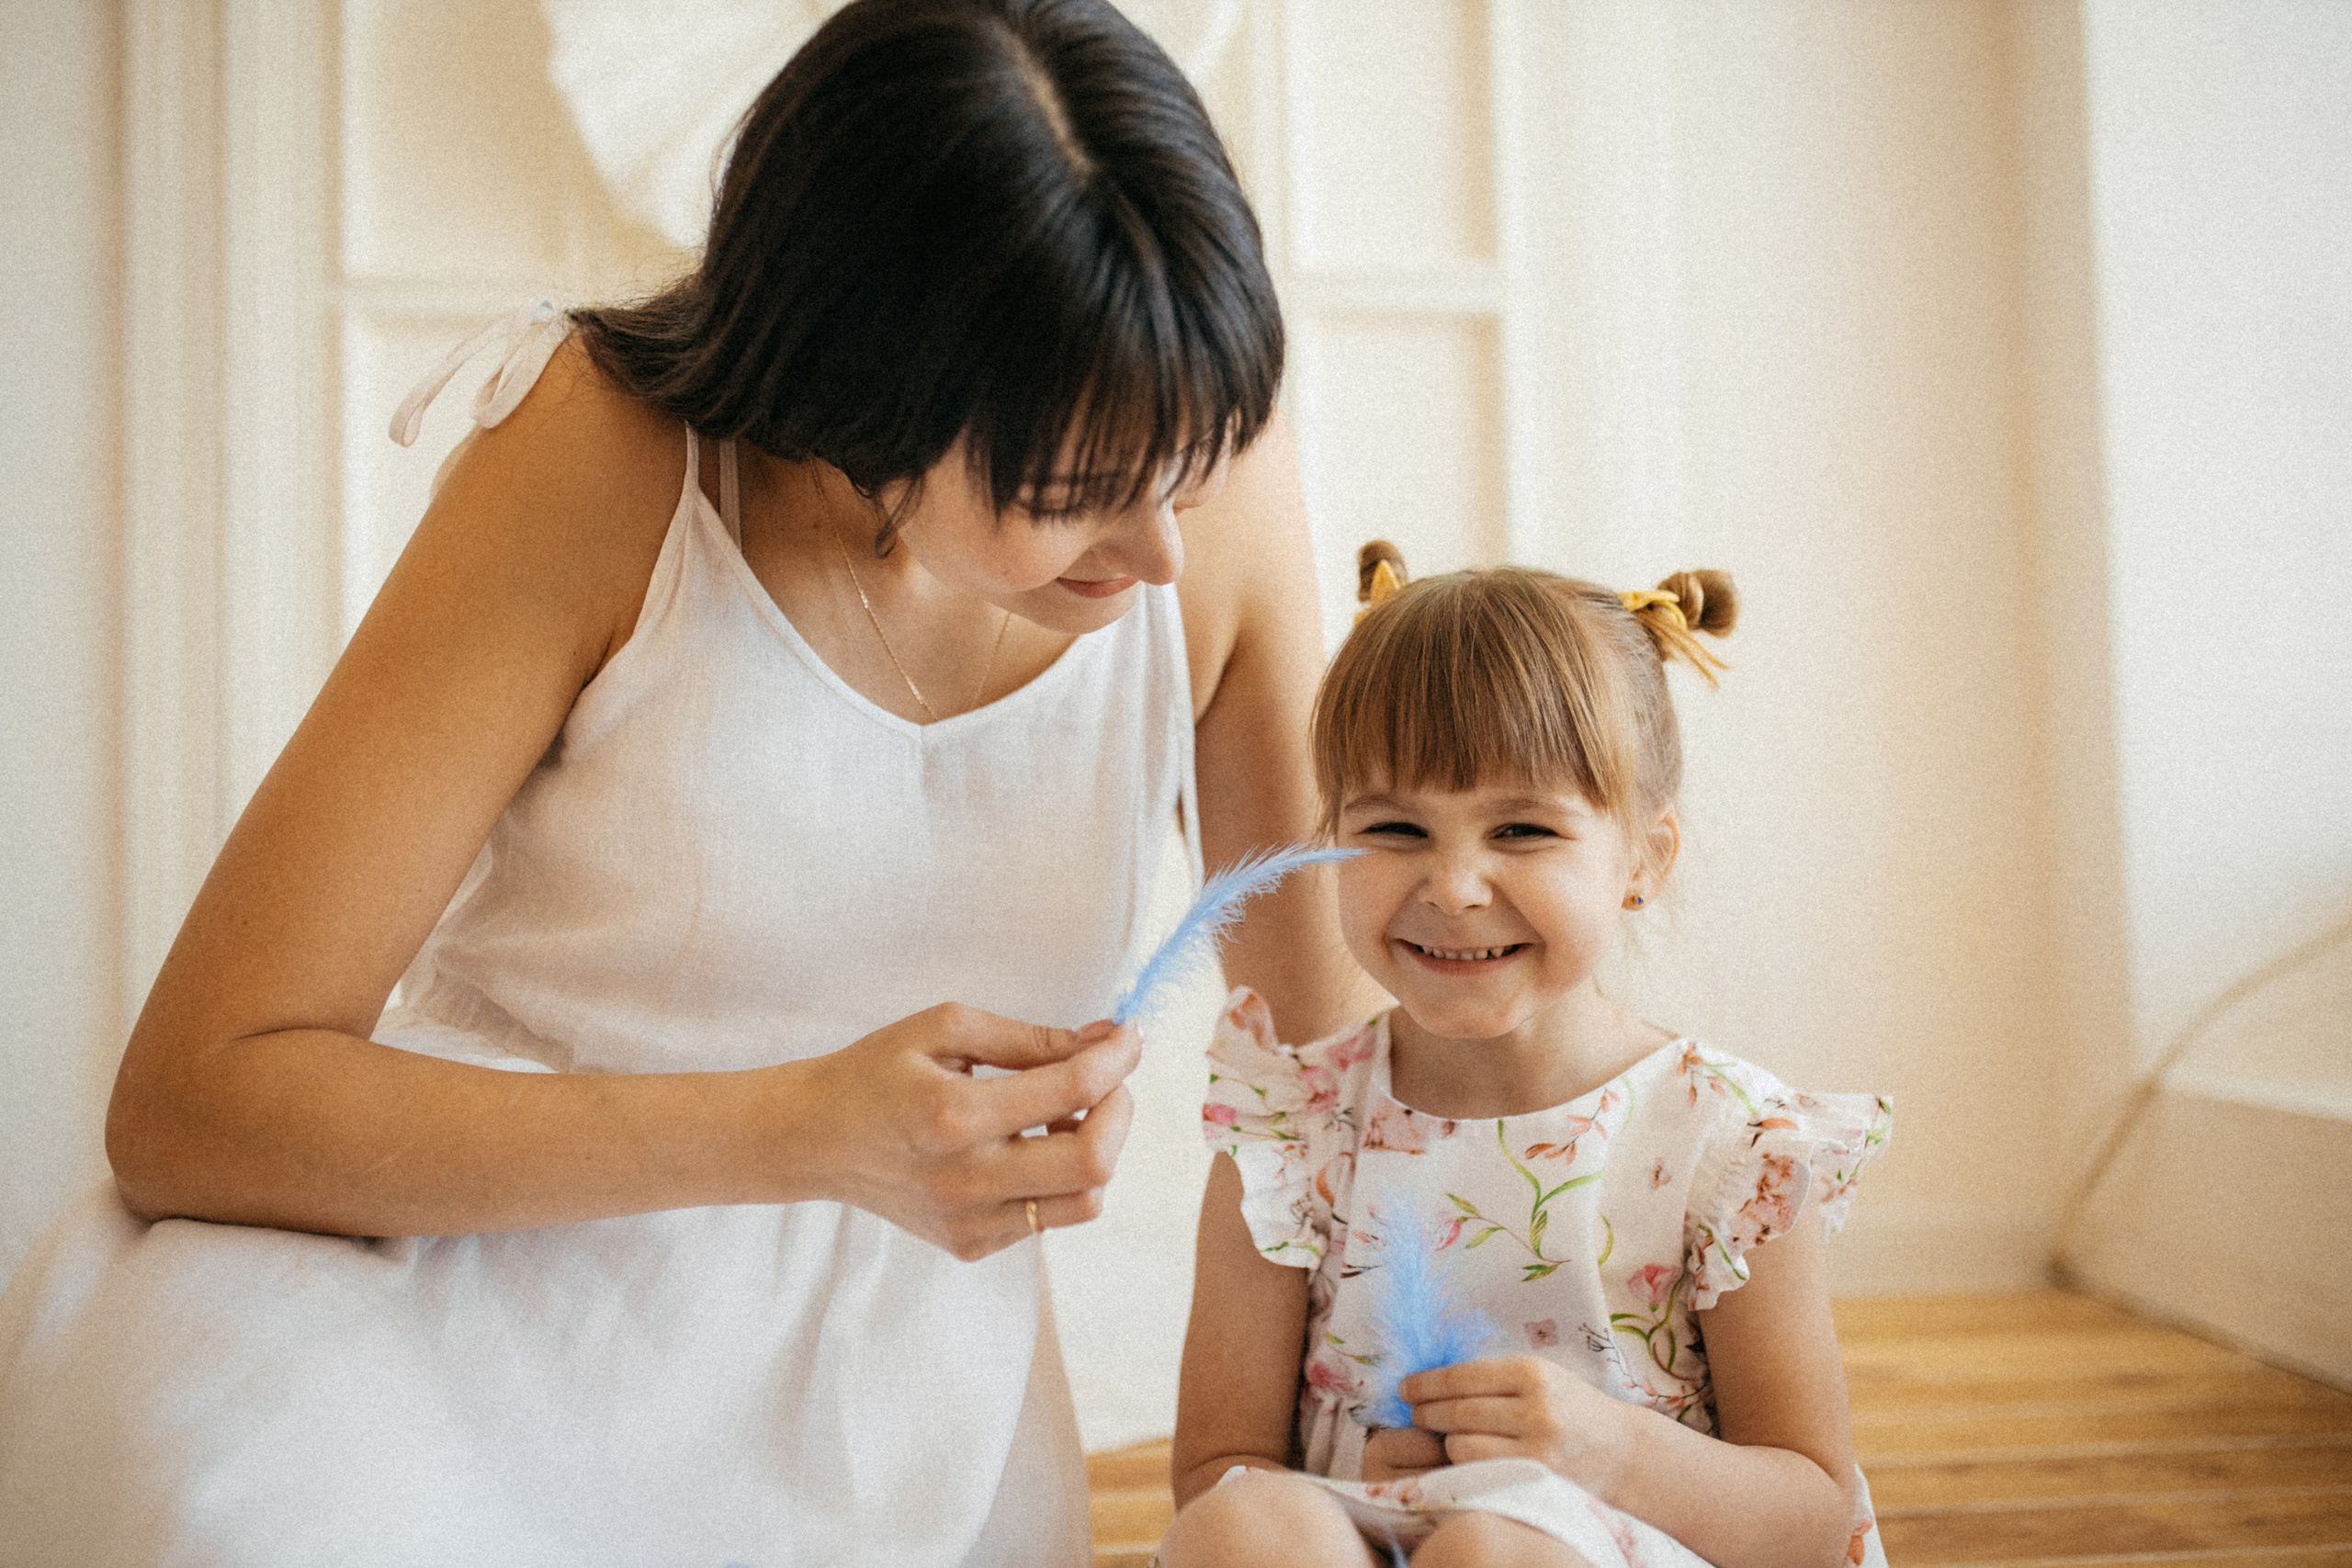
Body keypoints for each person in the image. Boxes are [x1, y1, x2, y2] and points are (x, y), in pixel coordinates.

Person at [0, 2, 1357, 1562]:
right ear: (871, 396)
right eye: (1069, 500)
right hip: (440, 1337)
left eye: (1187, 467)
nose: (1160, 554)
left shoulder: (1211, 498)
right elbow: (190, 1098)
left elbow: (1349, 1108)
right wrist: (800, 1128)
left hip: (896, 1428)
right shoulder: (607, 456)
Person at [1159, 551, 1894, 1567]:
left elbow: (1809, 1522)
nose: (1454, 885)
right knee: (1241, 1525)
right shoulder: (1292, 1128)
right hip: (1364, 1530)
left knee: (1500, 1554)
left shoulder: (1726, 1145)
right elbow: (1216, 1466)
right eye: (1395, 827)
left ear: (1642, 859)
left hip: (1621, 1537)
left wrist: (1606, 1450)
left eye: (1521, 828)